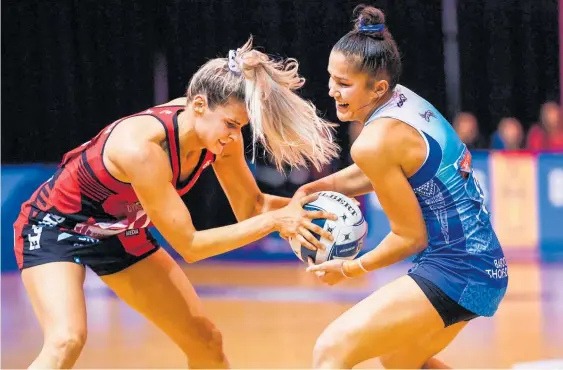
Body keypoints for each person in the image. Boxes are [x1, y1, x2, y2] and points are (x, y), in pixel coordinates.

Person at [13, 37, 340, 369]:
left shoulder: (220, 137)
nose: (233, 135)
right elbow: (191, 246)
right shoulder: (141, 148)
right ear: (198, 105)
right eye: (230, 123)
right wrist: (276, 221)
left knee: (205, 341)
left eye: (240, 126)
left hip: (120, 231)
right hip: (56, 227)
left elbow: (251, 206)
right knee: (67, 340)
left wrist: (309, 205)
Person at [297, 5, 508, 369]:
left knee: (331, 350)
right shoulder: (402, 100)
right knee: (399, 362)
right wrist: (317, 187)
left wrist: (348, 269)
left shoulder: (375, 140)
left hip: (457, 267)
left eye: (344, 83)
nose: (332, 91)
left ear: (377, 87)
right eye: (331, 77)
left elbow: (410, 238)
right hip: (484, 263)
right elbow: (385, 171)